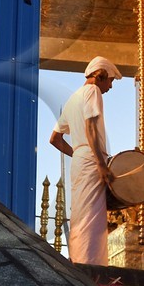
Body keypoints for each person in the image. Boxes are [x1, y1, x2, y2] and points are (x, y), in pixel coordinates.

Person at [49, 56, 121, 264]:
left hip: (81, 160)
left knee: (81, 214)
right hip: (91, 159)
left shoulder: (73, 98)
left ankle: (79, 261)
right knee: (92, 218)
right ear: (101, 76)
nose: (110, 87)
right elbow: (90, 126)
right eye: (111, 81)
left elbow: (54, 139)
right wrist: (99, 163)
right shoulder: (93, 91)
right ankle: (91, 267)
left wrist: (78, 154)